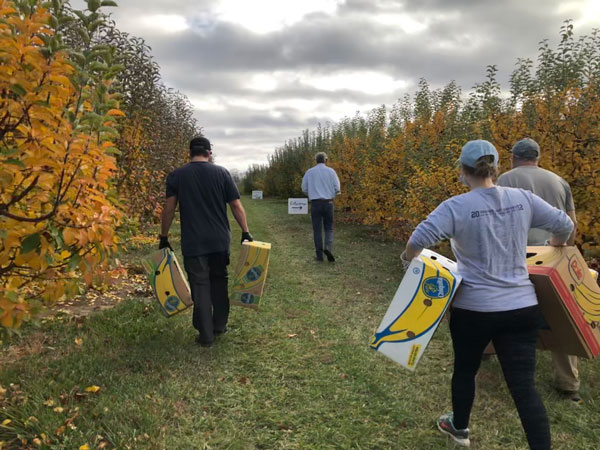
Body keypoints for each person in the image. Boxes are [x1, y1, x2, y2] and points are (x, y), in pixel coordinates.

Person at [403, 140, 573, 449]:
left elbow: (418, 240)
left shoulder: (455, 206)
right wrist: (556, 243)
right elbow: (565, 224)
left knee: (466, 370)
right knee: (524, 389)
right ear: (495, 168)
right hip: (521, 307)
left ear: (462, 171)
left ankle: (459, 429)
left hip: (473, 310)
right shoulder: (522, 199)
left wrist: (409, 260)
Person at [497, 138, 580, 402]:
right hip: (551, 257)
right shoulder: (559, 182)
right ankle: (567, 383)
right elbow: (571, 223)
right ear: (537, 157)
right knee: (561, 316)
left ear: (514, 157)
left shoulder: (504, 180)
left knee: (504, 310)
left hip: (515, 257)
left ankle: (497, 359)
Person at [159, 136, 253, 347]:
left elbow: (168, 209)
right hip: (219, 240)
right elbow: (236, 206)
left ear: (189, 153)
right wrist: (245, 231)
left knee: (200, 285)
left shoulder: (176, 176)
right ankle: (219, 325)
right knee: (219, 281)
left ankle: (206, 335)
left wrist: (163, 237)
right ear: (209, 153)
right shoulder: (222, 173)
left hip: (194, 242)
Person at [301, 152, 341, 262]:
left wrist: (312, 193)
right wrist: (331, 194)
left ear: (315, 160)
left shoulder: (309, 172)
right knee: (329, 228)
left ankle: (319, 256)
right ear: (326, 160)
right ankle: (327, 247)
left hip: (315, 203)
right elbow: (337, 188)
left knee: (317, 230)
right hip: (328, 202)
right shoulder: (331, 172)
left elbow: (304, 188)